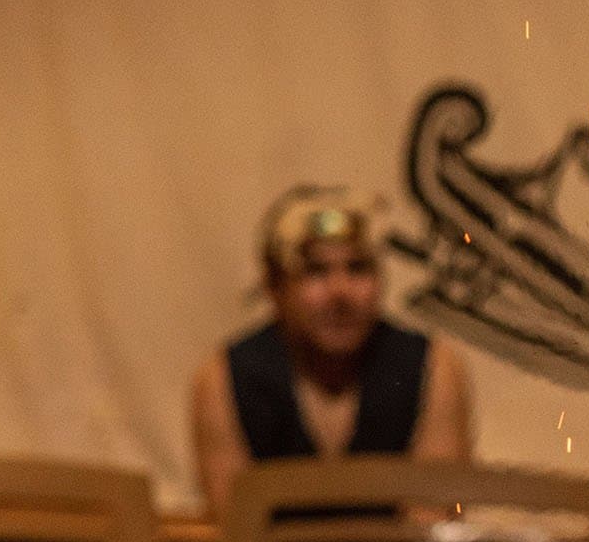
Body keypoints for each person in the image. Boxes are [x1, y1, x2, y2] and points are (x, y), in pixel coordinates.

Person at [189, 187, 475, 512]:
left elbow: (432, 522)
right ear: (274, 288)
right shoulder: (224, 378)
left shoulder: (432, 368)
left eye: (358, 268)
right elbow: (237, 529)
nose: (340, 292)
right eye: (315, 271)